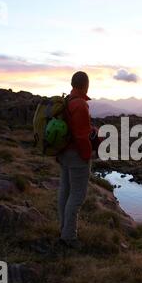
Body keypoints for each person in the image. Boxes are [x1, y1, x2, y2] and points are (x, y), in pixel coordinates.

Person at [57, 71, 93, 249]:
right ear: (85, 85)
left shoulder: (67, 101)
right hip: (76, 155)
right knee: (77, 196)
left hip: (64, 154)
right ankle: (69, 237)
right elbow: (81, 136)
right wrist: (87, 155)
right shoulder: (80, 104)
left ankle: (63, 229)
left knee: (65, 192)